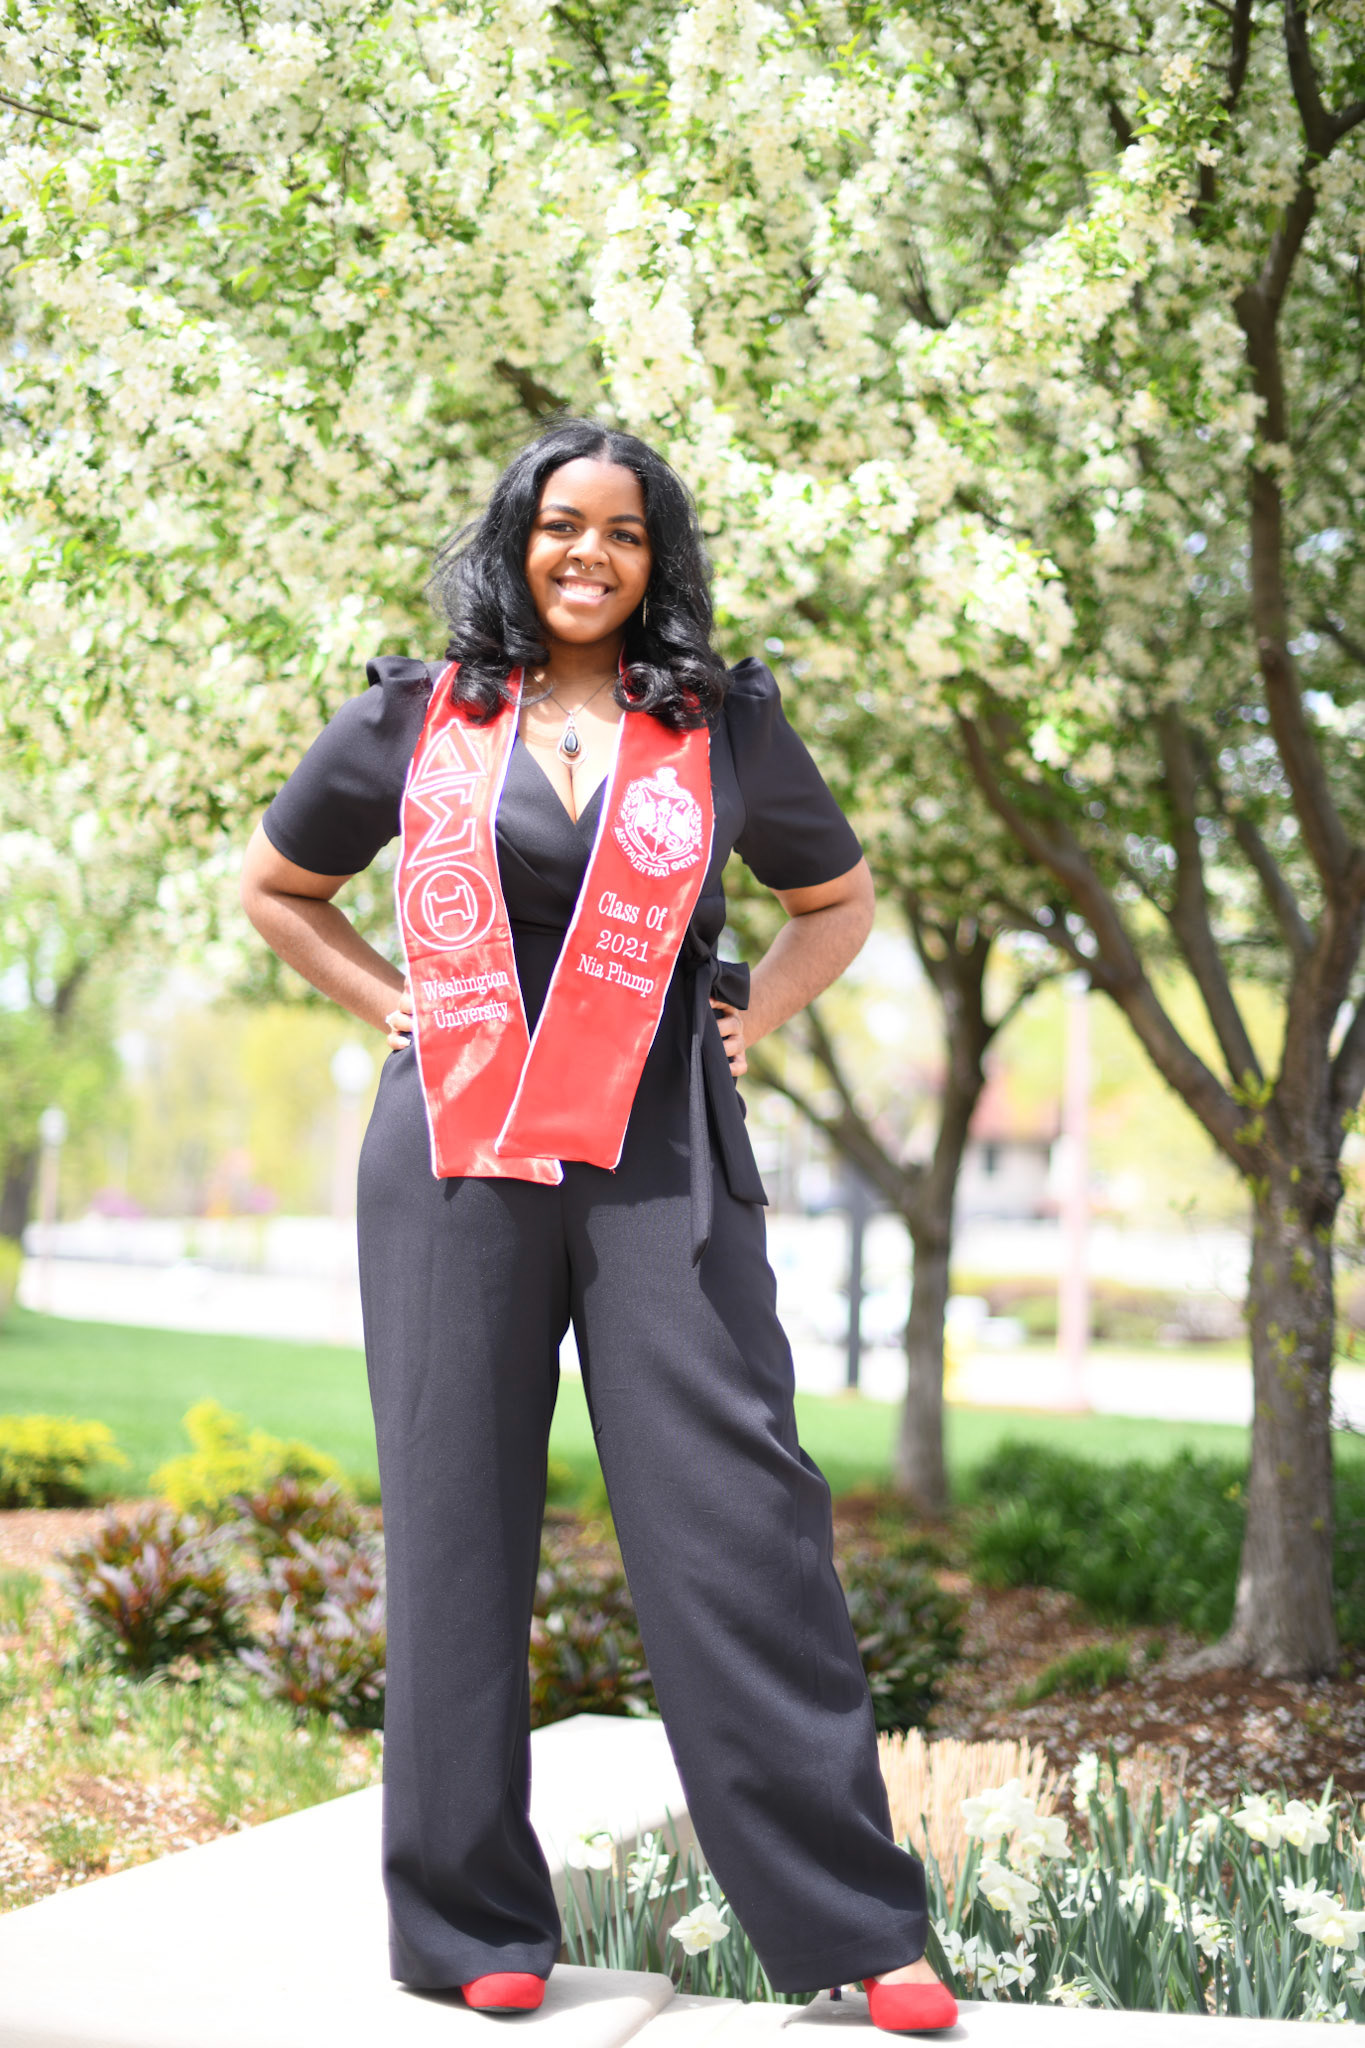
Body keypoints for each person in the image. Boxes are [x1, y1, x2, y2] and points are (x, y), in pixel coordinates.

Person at [240, 418, 957, 2033]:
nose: (590, 554)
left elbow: (834, 900)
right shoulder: (416, 713)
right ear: (519, 537)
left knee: (740, 1517)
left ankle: (859, 1923)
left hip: (661, 1157)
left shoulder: (718, 723)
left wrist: (756, 1013)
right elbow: (277, 886)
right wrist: (386, 1003)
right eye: (564, 524)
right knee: (455, 1524)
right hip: (456, 1153)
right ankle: (467, 1923)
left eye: (624, 533)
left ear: (655, 558)